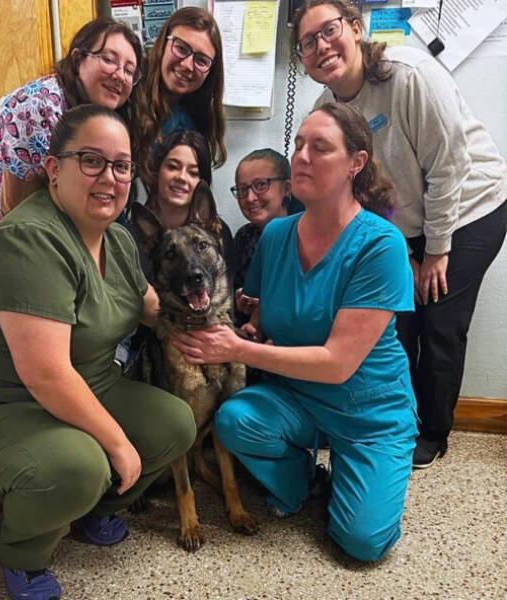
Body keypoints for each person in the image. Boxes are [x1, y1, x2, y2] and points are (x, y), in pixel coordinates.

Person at [0, 105, 196, 600]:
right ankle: (18, 551)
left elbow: (150, 307)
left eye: (121, 166)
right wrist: (116, 443)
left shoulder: (116, 239)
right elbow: (46, 374)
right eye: (91, 160)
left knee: (175, 424)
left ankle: (90, 509)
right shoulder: (28, 239)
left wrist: (214, 326)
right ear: (54, 169)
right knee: (82, 465)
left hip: (89, 383)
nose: (109, 178)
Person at [173, 103, 418, 562]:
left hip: (368, 412)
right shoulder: (276, 235)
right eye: (299, 144)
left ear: (355, 164)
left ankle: (361, 468)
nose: (301, 156)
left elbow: (338, 362)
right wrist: (250, 322)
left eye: (319, 147)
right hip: (297, 399)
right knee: (234, 420)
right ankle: (307, 480)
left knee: (362, 543)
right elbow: (265, 311)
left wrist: (239, 348)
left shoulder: (381, 246)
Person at [291, 0, 507, 469]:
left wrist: (435, 250)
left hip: (470, 207)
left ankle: (431, 433)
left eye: (329, 31)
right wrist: (399, 249)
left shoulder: (408, 74)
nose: (321, 46)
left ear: (355, 27)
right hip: (406, 221)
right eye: (308, 42)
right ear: (303, 60)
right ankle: (395, 420)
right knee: (394, 322)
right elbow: (359, 191)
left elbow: (450, 166)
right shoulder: (324, 110)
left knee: (440, 321)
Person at [0, 18, 143, 243]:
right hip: (4, 238)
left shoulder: (100, 117)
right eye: (109, 60)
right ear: (77, 59)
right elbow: (16, 214)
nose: (120, 75)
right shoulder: (37, 106)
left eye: (129, 71)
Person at [117, 129, 234, 371]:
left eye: (193, 172)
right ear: (156, 171)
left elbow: (223, 303)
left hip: (208, 344)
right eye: (173, 166)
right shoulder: (126, 236)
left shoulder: (217, 234)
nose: (182, 177)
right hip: (141, 350)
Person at [135, 7, 226, 186]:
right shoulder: (128, 91)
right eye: (181, 48)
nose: (187, 65)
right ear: (162, 44)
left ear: (211, 72)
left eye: (201, 60)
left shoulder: (192, 124)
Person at [230, 148, 300, 325]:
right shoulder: (244, 237)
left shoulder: (305, 234)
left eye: (261, 185)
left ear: (287, 188)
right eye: (242, 189)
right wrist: (241, 303)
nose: (250, 197)